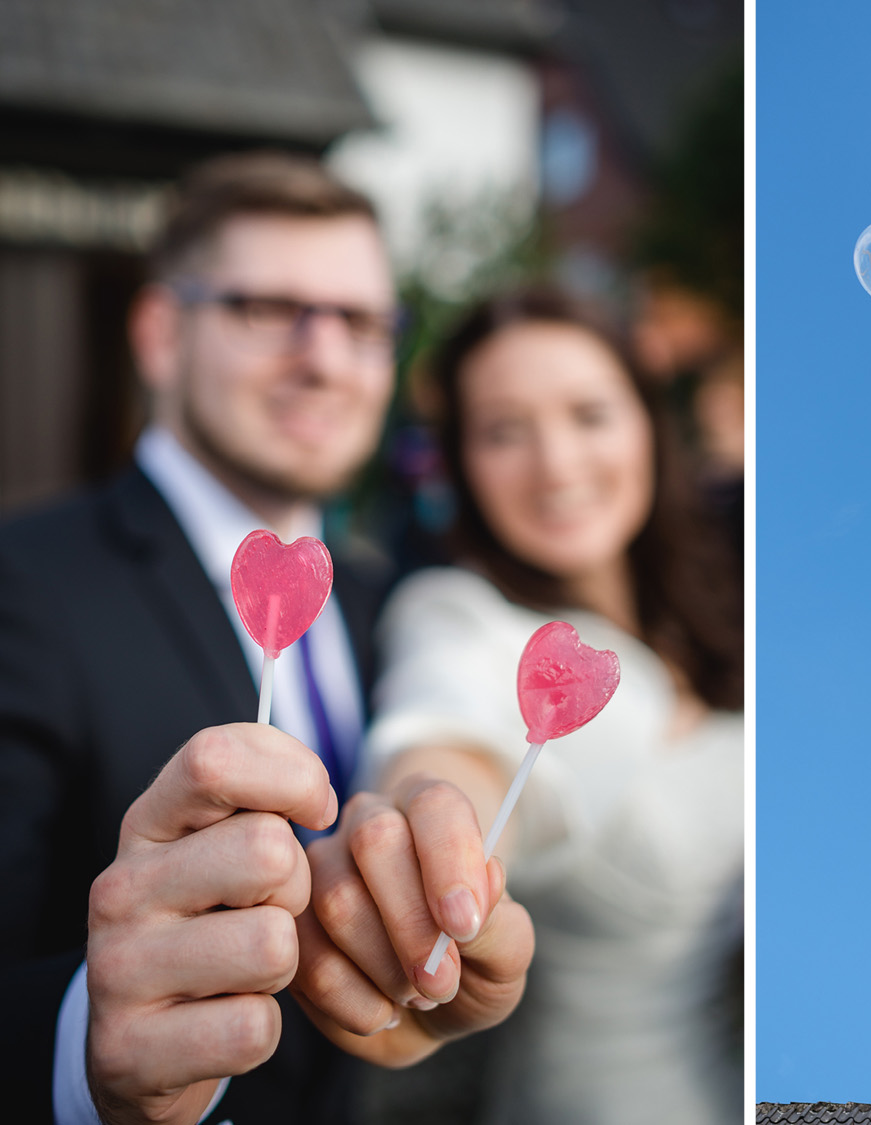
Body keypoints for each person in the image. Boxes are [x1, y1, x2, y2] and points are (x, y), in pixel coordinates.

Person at [0, 151, 533, 1125]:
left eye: (364, 324)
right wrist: (83, 1051)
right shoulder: (22, 583)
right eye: (267, 308)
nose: (324, 357)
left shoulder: (397, 606)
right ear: (162, 334)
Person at [363, 289, 744, 1124]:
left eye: (589, 413)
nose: (557, 462)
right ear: (462, 462)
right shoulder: (461, 618)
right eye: (504, 430)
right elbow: (444, 732)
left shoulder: (725, 609)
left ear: (647, 421)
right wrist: (432, 818)